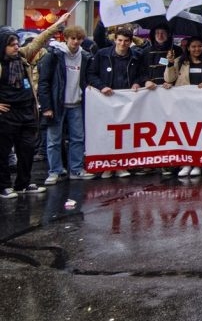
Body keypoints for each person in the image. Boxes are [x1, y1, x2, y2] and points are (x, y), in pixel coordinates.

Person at [0, 13, 69, 197]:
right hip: (7, 115)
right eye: (12, 44)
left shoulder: (22, 57)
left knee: (27, 150)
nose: (16, 47)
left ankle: (23, 183)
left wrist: (58, 25)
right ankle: (4, 186)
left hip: (26, 112)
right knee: (3, 152)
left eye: (17, 43)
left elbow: (40, 39)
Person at [87, 26, 149, 178]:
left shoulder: (136, 56)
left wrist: (137, 83)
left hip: (127, 101)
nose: (122, 44)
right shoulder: (102, 55)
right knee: (107, 133)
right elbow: (91, 74)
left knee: (125, 134)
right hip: (106, 100)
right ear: (115, 40)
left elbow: (142, 74)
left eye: (126, 41)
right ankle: (108, 166)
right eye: (120, 40)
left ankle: (122, 165)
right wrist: (101, 87)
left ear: (130, 42)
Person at [37, 25, 92, 184]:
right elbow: (44, 82)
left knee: (78, 138)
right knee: (54, 140)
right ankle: (55, 171)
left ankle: (76, 169)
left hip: (76, 103)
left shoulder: (86, 56)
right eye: (73, 38)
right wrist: (46, 107)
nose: (76, 42)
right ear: (66, 38)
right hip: (57, 104)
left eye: (79, 39)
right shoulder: (53, 56)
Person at [163, 36, 202, 178]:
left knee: (200, 133)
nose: (196, 49)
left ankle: (198, 163)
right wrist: (170, 64)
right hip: (184, 105)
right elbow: (168, 79)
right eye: (193, 46)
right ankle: (186, 163)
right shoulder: (179, 61)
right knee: (186, 133)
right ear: (188, 48)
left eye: (199, 46)